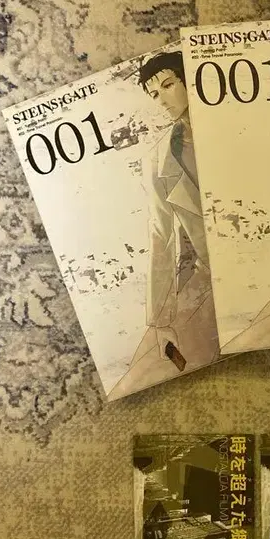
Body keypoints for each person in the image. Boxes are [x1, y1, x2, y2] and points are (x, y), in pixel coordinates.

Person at [107, 51, 218, 398]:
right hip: (211, 276)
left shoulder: (231, 126)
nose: (162, 99)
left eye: (168, 85)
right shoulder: (158, 160)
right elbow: (161, 236)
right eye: (155, 94)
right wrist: (160, 319)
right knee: (145, 371)